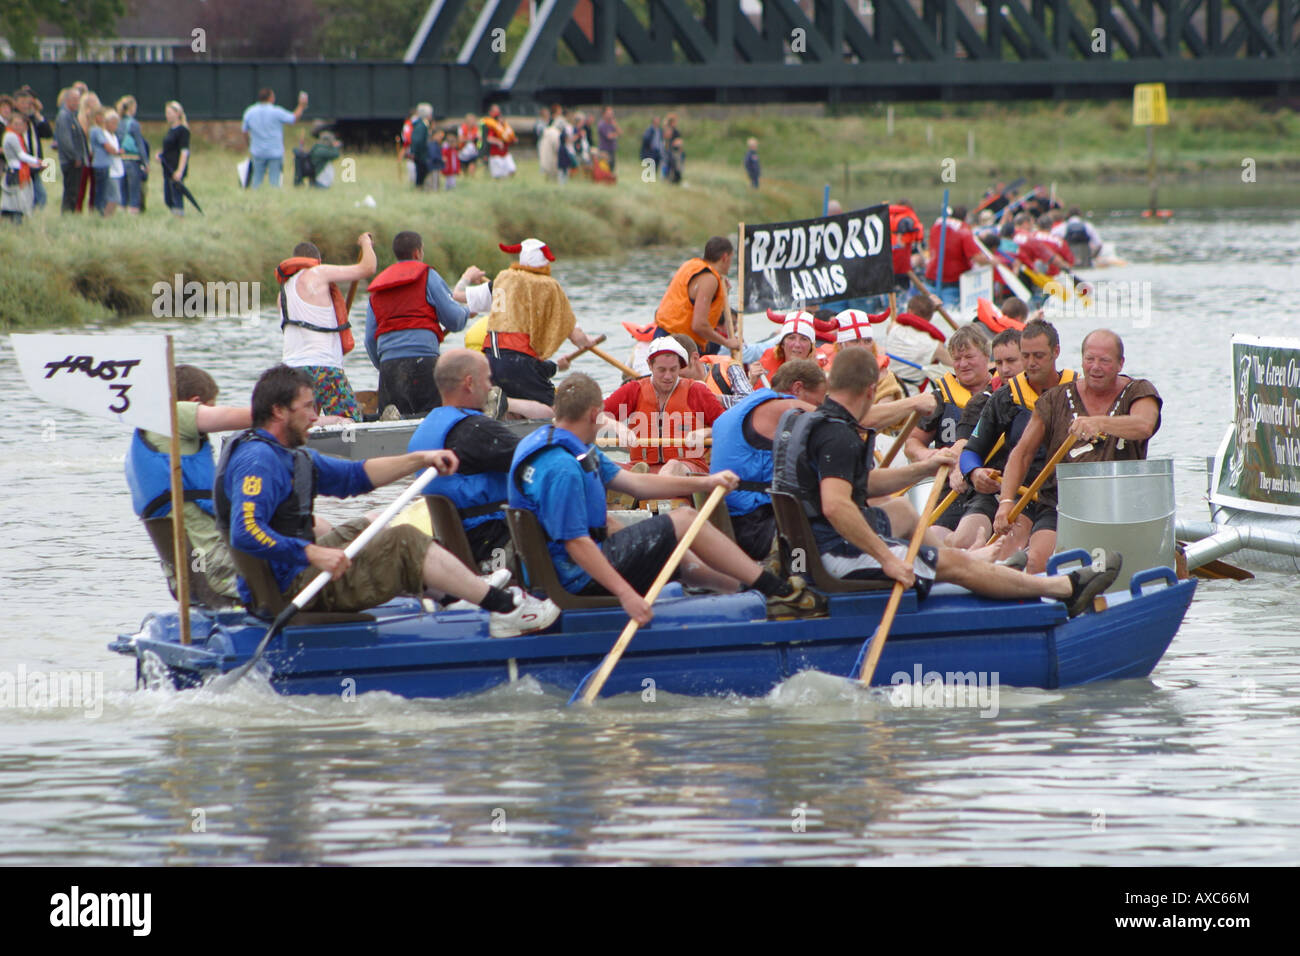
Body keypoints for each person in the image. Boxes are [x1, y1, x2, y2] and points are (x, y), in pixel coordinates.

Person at [770, 347, 1119, 616]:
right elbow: (836, 505)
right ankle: (1064, 589)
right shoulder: (838, 436)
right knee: (953, 566)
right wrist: (889, 560)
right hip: (833, 556)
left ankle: (973, 562)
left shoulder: (802, 421)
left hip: (805, 548)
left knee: (900, 511)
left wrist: (925, 467)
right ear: (870, 390)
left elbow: (861, 483)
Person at [214, 365, 559, 636]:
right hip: (289, 588)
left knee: (374, 522)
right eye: (307, 408)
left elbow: (355, 477)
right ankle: (506, 609)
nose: (316, 416)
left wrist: (420, 460)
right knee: (404, 541)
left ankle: (456, 594)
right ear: (278, 411)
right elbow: (245, 531)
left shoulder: (286, 454)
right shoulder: (258, 461)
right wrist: (313, 552)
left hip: (294, 572)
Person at [509, 373, 825, 622]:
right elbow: (576, 544)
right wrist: (626, 595)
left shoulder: (553, 442)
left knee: (661, 539)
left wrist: (707, 481)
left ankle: (747, 594)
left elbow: (633, 482)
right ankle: (778, 591)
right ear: (595, 414)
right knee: (685, 520)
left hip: (566, 566)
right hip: (575, 579)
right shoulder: (562, 468)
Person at [995, 328, 1161, 551]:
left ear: (1120, 364)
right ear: (1081, 360)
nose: (1095, 367)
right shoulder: (1054, 399)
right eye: (1089, 359)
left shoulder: (1139, 391)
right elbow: (1022, 453)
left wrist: (1099, 423)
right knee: (1037, 560)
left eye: (1104, 361)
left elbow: (1144, 425)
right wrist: (1006, 501)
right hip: (1060, 504)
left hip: (1120, 501)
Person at [124, 365, 252, 601]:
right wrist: (290, 414)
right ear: (196, 403)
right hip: (219, 571)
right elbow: (238, 417)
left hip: (187, 577)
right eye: (211, 405)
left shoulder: (149, 442)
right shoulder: (173, 415)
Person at [959, 319, 1077, 571]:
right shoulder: (1006, 398)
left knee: (1036, 558)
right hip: (1022, 495)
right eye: (1025, 356)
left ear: (1056, 352)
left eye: (1039, 356)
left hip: (1064, 496)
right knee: (1007, 551)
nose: (1031, 363)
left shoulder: (1078, 391)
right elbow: (971, 452)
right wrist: (974, 472)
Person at [406, 349, 523, 572]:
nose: (491, 387)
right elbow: (539, 458)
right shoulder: (477, 430)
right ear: (469, 383)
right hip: (494, 544)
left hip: (456, 546)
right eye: (488, 379)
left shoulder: (425, 430)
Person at [364, 230, 491, 416]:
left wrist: (384, 364)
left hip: (388, 366)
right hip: (423, 362)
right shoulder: (427, 275)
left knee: (392, 425)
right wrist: (466, 312)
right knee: (430, 418)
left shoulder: (378, 286)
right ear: (418, 253)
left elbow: (369, 339)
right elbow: (454, 320)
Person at [710, 359, 828, 560]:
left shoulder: (741, 408)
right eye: (817, 402)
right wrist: (902, 406)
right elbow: (842, 421)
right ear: (797, 388)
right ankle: (800, 576)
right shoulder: (785, 407)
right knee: (840, 518)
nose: (819, 407)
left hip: (728, 525)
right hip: (755, 529)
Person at [484, 237, 600, 408]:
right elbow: (577, 337)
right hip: (520, 361)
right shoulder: (548, 286)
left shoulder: (503, 279)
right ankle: (506, 403)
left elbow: (460, 297)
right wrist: (587, 341)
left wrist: (465, 279)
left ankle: (503, 405)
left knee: (513, 400)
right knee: (555, 411)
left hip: (490, 359)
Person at [902, 326, 992, 532]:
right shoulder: (939, 398)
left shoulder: (1003, 393)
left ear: (987, 356)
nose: (963, 364)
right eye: (957, 359)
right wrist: (930, 454)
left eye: (969, 357)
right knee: (936, 535)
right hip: (951, 485)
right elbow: (911, 444)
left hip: (990, 481)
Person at [278, 234, 375, 420]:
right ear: (318, 261)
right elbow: (368, 267)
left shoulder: (283, 292)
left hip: (290, 371)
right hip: (323, 368)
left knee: (302, 424)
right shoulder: (317, 273)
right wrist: (366, 243)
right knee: (350, 422)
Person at [945, 328, 1025, 550]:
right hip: (993, 490)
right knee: (961, 542)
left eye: (1012, 361)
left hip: (1035, 492)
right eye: (999, 363)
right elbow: (964, 445)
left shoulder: (1052, 398)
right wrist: (967, 470)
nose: (1005, 370)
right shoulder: (984, 401)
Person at [600, 336, 725, 476]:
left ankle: (648, 488)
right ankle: (640, 486)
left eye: (673, 369)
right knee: (601, 467)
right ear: (650, 365)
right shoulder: (633, 390)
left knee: (672, 466)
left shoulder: (696, 390)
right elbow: (596, 416)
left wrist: (707, 432)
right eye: (662, 370)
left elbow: (728, 426)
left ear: (680, 367)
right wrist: (617, 427)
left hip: (688, 466)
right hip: (641, 466)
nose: (668, 376)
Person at [654, 237, 741, 354]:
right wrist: (727, 342)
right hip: (680, 344)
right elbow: (699, 325)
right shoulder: (710, 279)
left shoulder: (690, 265)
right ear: (725, 257)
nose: (730, 265)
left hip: (662, 335)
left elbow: (708, 314)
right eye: (731, 259)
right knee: (715, 345)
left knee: (713, 345)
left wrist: (724, 294)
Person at [881, 294, 952, 391]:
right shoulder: (936, 346)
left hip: (885, 386)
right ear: (931, 316)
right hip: (910, 393)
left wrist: (929, 306)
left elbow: (911, 320)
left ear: (909, 311)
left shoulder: (893, 328)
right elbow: (956, 367)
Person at [242, 87, 308, 188]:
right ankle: (274, 199)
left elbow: (245, 131)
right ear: (271, 98)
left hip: (257, 151)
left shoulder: (250, 112)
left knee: (256, 180)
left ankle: (255, 199)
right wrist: (301, 106)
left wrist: (249, 144)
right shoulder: (276, 112)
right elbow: (293, 119)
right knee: (275, 181)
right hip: (275, 152)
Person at [924, 204, 988, 308]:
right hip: (951, 283)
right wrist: (993, 261)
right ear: (965, 217)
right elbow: (977, 258)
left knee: (927, 313)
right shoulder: (964, 230)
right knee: (949, 315)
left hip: (931, 278)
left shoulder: (936, 225)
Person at [2, 113, 45, 224]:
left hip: (16, 169)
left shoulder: (16, 136)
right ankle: (16, 223)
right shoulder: (12, 136)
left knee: (16, 199)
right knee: (17, 200)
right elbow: (20, 155)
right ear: (10, 124)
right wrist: (37, 161)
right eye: (16, 124)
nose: (19, 127)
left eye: (21, 124)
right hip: (15, 171)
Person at [14, 86, 50, 210]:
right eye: (23, 103)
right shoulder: (15, 121)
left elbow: (47, 133)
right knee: (36, 197)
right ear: (16, 103)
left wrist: (37, 113)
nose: (26, 106)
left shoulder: (32, 119)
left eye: (29, 103)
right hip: (22, 164)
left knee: (39, 197)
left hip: (34, 163)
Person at [54, 87, 87, 214]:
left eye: (78, 100)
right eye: (74, 99)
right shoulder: (64, 116)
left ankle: (71, 213)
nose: (77, 102)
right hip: (70, 161)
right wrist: (75, 157)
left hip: (75, 159)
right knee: (71, 190)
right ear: (67, 100)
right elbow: (65, 140)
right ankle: (67, 213)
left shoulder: (72, 116)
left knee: (74, 190)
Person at [114, 95, 147, 214]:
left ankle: (122, 213)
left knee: (122, 192)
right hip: (133, 160)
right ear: (132, 108)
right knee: (134, 191)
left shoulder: (118, 122)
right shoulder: (134, 124)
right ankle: (133, 214)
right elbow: (140, 144)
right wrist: (145, 162)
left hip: (120, 160)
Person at [87, 106, 121, 217]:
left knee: (101, 191)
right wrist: (116, 151)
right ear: (97, 117)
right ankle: (100, 212)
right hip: (101, 164)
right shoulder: (96, 130)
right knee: (102, 192)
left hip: (102, 164)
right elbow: (107, 146)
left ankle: (99, 211)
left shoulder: (96, 130)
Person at [158, 101, 190, 216]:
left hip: (176, 168)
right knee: (168, 198)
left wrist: (180, 171)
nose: (167, 115)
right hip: (167, 167)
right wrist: (161, 154)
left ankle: (179, 218)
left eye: (170, 113)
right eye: (166, 113)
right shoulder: (171, 130)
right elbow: (169, 148)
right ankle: (174, 217)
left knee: (176, 196)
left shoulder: (183, 130)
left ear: (178, 114)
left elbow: (184, 151)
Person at [482, 104, 517, 178]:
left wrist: (513, 140)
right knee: (498, 175)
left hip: (505, 153)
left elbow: (510, 138)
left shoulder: (506, 127)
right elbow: (488, 138)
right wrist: (499, 142)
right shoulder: (490, 126)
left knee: (511, 169)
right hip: (494, 153)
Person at [410, 103, 432, 189]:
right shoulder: (421, 126)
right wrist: (413, 152)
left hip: (422, 153)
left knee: (422, 170)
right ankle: (419, 187)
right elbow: (416, 140)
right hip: (420, 154)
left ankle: (421, 186)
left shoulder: (423, 124)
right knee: (421, 170)